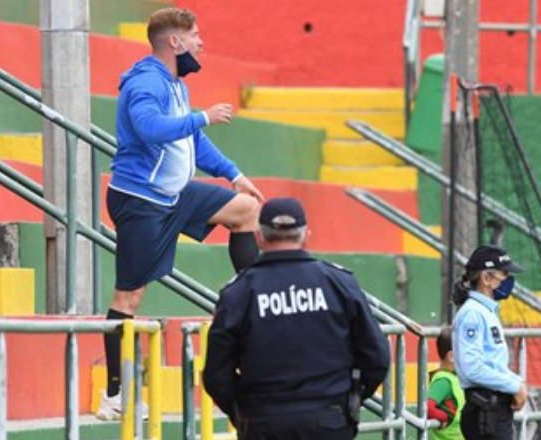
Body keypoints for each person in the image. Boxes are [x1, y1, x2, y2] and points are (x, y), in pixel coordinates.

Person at [97, 8, 265, 420]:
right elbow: (149, 128)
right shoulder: (145, 83)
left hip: (175, 194)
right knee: (129, 297)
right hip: (141, 203)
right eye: (195, 36)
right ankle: (114, 396)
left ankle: (249, 302)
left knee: (246, 208)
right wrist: (203, 115)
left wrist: (234, 174)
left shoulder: (175, 83)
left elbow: (193, 141)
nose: (201, 43)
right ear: (175, 42)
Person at [202, 198, 391, 440]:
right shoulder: (339, 284)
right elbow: (377, 356)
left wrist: (245, 412)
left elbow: (217, 375)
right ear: (306, 236)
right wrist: (348, 400)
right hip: (329, 420)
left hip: (264, 422)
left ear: (259, 237)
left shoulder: (238, 293)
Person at [452, 246, 529, 440]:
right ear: (486, 278)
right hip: (486, 413)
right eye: (504, 274)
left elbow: (492, 362)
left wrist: (517, 382)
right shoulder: (473, 313)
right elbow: (473, 367)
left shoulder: (485, 311)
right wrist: (514, 385)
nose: (508, 280)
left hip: (494, 411)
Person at [428, 327, 466, 440]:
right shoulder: (443, 381)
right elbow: (427, 407)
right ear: (451, 356)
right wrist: (444, 417)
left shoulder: (457, 377)